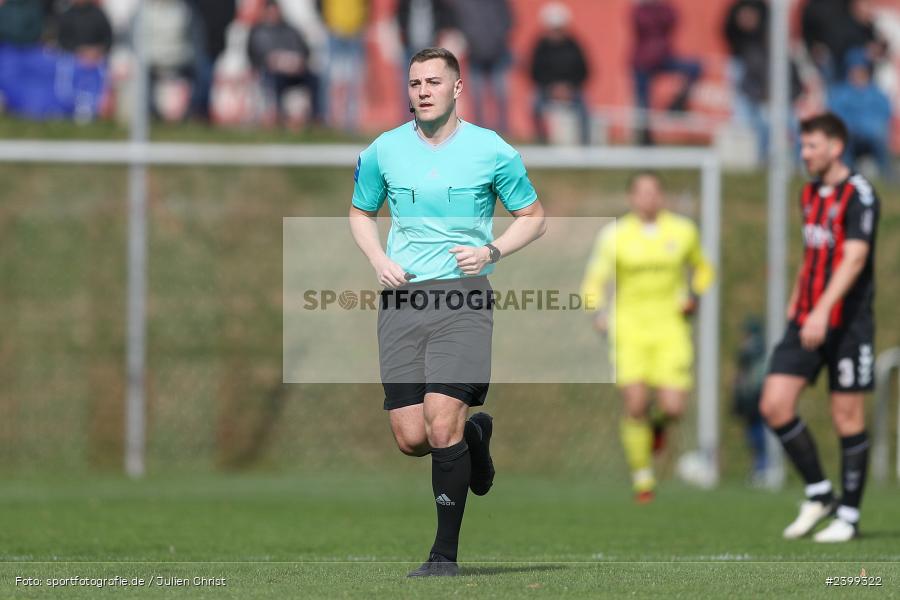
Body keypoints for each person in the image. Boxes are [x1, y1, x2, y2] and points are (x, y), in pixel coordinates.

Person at [348, 47, 546, 576]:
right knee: (411, 438)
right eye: (414, 83)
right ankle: (476, 437)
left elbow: (533, 216)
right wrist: (377, 258)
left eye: (433, 81)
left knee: (441, 426)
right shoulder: (384, 150)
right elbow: (361, 212)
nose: (423, 90)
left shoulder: (492, 150)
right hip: (402, 298)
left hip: (463, 297)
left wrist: (492, 251)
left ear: (457, 88)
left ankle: (443, 557)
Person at [760, 112, 880, 543]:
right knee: (774, 403)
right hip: (806, 317)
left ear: (835, 147)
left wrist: (822, 309)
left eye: (811, 145)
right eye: (802, 145)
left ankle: (848, 515)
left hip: (846, 324)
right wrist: (799, 298)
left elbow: (854, 259)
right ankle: (819, 492)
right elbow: (814, 253)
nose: (804, 153)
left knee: (846, 415)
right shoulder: (809, 194)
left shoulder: (860, 195)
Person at [580, 172, 714, 503]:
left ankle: (657, 429)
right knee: (636, 403)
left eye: (654, 191)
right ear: (631, 198)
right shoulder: (614, 235)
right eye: (641, 193)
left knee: (673, 407)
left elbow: (704, 268)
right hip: (630, 330)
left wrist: (694, 296)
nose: (648, 198)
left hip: (671, 329)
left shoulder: (683, 231)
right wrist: (597, 312)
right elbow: (593, 282)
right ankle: (643, 480)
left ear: (662, 196)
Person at [630, 0, 702, 145]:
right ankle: (645, 145)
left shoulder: (665, 8)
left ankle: (677, 104)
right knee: (643, 109)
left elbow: (673, 19)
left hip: (664, 57)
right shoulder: (639, 9)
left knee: (695, 68)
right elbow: (646, 24)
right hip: (643, 62)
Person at [248, 0, 322, 127]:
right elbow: (254, 55)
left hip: (294, 72)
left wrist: (297, 61)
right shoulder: (258, 31)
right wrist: (271, 62)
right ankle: (277, 118)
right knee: (273, 82)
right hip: (272, 73)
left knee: (314, 79)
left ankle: (315, 118)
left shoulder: (290, 30)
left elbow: (305, 51)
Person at [529, 2, 591, 145]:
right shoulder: (541, 46)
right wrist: (552, 88)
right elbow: (534, 72)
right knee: (535, 106)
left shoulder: (574, 45)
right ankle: (542, 142)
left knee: (585, 110)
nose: (555, 32)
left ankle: (585, 147)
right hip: (547, 90)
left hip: (572, 90)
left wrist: (569, 87)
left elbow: (584, 70)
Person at [828, 48, 893, 179]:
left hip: (871, 136)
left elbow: (885, 112)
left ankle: (887, 174)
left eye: (861, 70)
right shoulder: (841, 92)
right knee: (844, 139)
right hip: (851, 135)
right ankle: (847, 175)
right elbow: (836, 114)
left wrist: (868, 127)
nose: (858, 74)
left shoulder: (875, 92)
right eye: (855, 70)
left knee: (879, 134)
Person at [451, 0, 513, 133]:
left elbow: (508, 21)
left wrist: (498, 40)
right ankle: (479, 129)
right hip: (475, 55)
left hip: (497, 53)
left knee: (500, 93)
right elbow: (459, 24)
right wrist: (471, 43)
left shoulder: (498, 3)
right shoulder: (466, 4)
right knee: (477, 94)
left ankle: (503, 128)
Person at [317, 0, 369, 132]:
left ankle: (351, 122)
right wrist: (328, 23)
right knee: (330, 79)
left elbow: (367, 5)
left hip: (355, 32)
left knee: (354, 80)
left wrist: (361, 23)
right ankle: (327, 118)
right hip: (334, 32)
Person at [188, 0, 236, 122]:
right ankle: (198, 111)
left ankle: (200, 111)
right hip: (199, 44)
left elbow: (230, 15)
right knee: (204, 78)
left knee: (206, 78)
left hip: (216, 44)